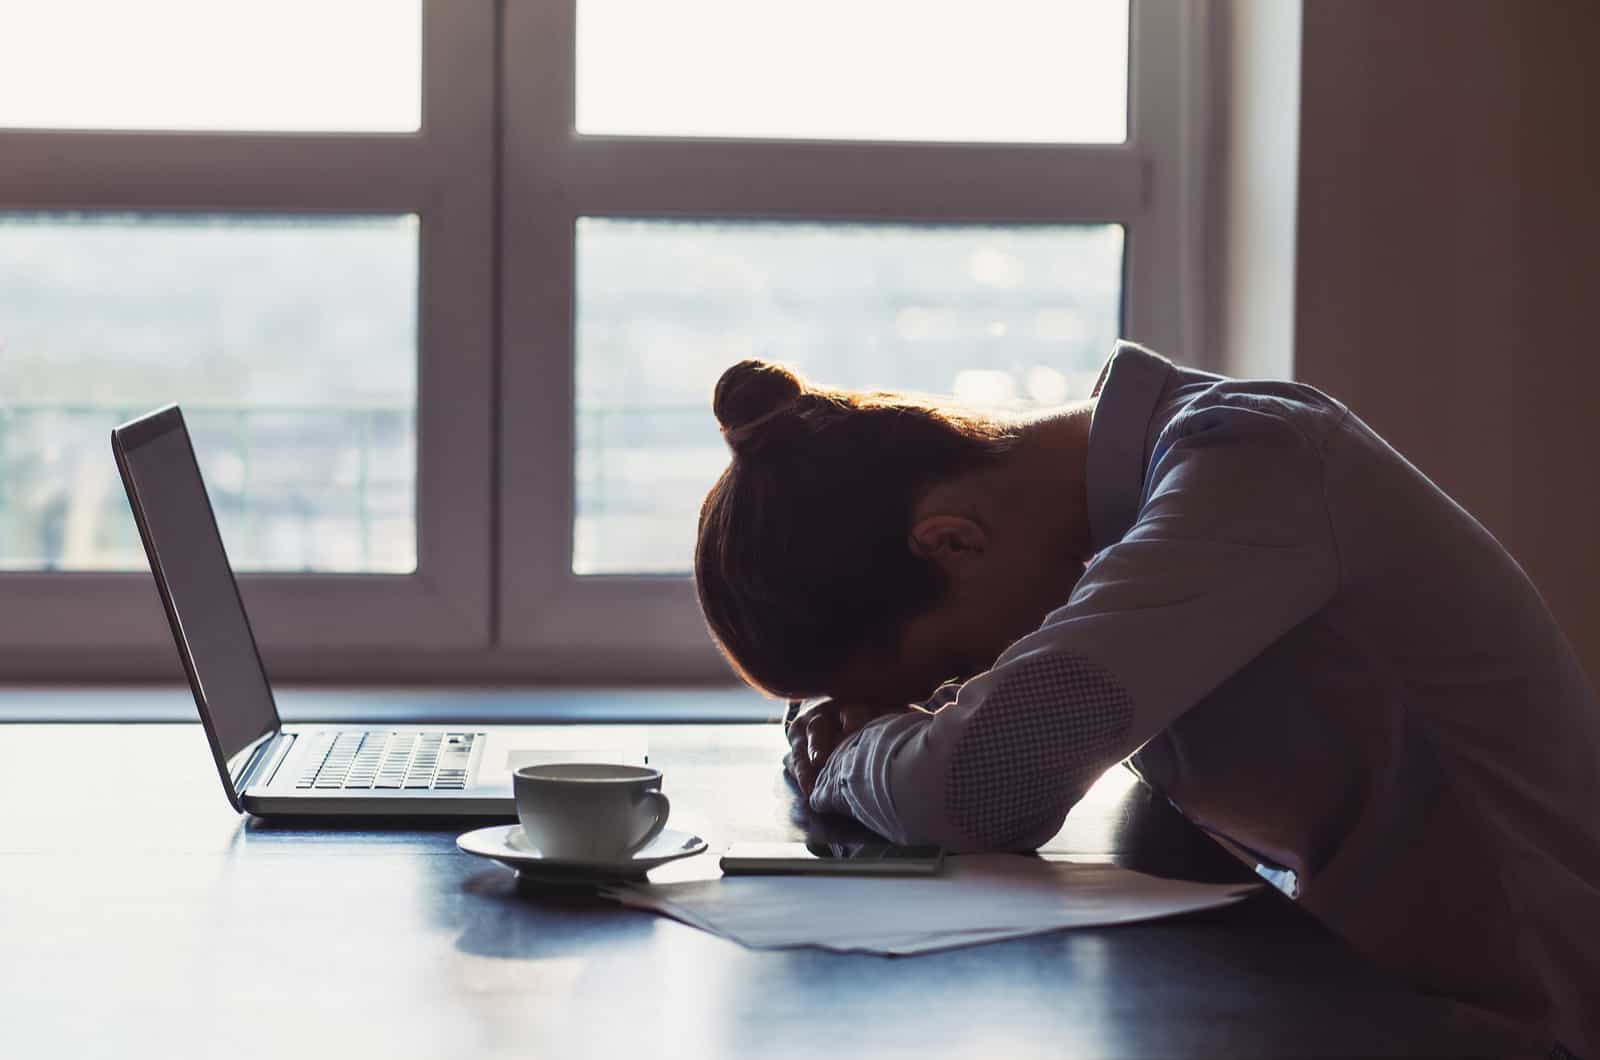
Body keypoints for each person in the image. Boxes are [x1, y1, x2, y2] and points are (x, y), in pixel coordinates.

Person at [693, 342, 1599, 1058]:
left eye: (952, 665)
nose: (961, 693)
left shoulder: (1253, 469)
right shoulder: (1135, 504)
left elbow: (983, 785)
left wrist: (849, 759)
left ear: (952, 542)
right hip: (1358, 986)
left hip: (1508, 1022)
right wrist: (846, 718)